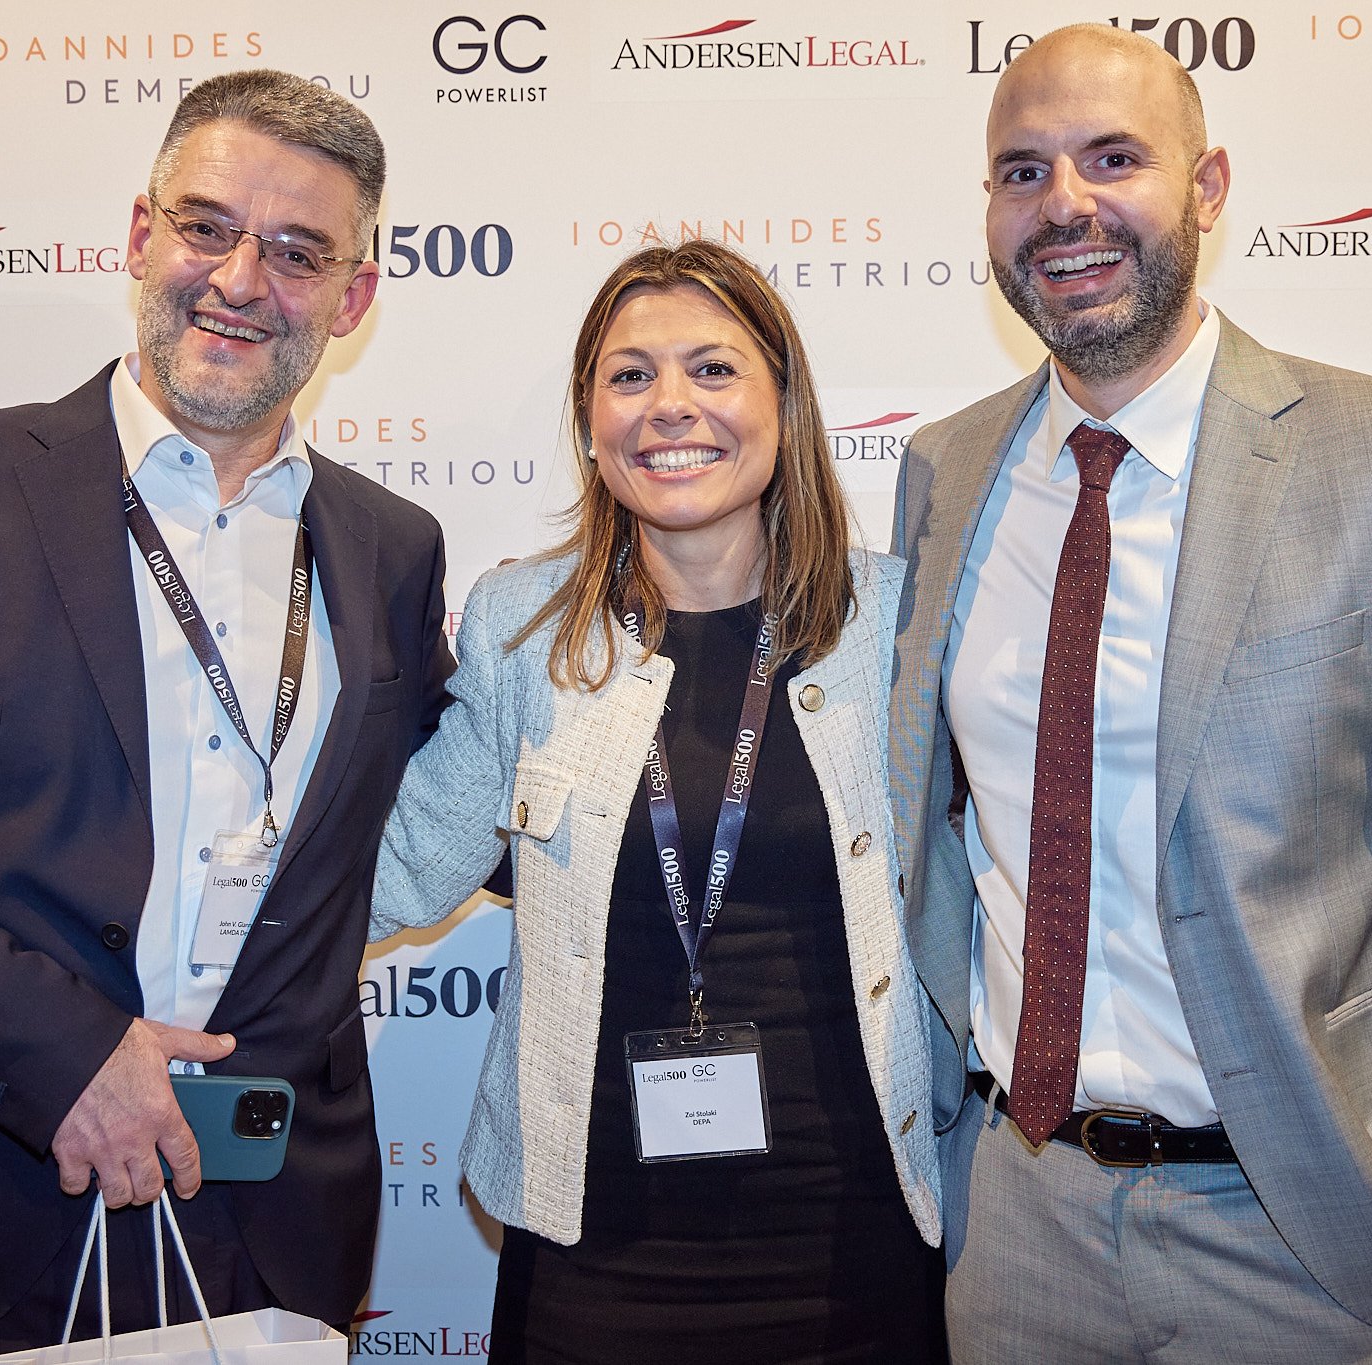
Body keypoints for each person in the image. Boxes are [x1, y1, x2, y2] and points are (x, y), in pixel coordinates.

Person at [0, 71, 451, 1365]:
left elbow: (464, 799)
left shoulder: (391, 548)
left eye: (298, 253)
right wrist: (64, 1058)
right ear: (139, 235)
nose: (240, 279)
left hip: (268, 1218)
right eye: (206, 227)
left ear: (353, 299)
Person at [887, 24, 1372, 1365]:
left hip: (1317, 1234)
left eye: (1113, 159)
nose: (1065, 205)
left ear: (1206, 187)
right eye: (1022, 171)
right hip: (1018, 1225)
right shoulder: (944, 472)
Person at [369, 240, 944, 1364]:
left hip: (856, 1230)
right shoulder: (523, 629)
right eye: (629, 375)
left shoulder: (894, 621)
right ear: (591, 423)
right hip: (594, 1244)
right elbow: (404, 866)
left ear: (784, 405)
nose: (669, 405)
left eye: (713, 369)